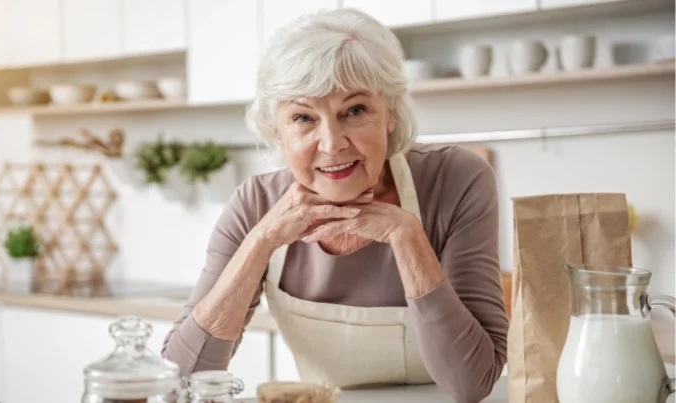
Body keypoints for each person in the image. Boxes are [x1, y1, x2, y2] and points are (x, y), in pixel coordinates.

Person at [162, 8, 508, 402]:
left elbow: (472, 384)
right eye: (303, 117)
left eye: (355, 111)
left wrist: (407, 237)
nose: (332, 143)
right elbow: (179, 383)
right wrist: (262, 241)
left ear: (390, 113)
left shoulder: (456, 180)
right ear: (278, 129)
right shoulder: (255, 205)